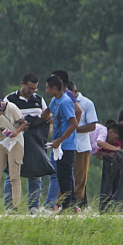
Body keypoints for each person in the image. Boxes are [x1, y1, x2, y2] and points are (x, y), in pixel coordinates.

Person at [4, 73, 48, 212]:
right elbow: (1, 120)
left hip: (34, 142)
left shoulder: (39, 100)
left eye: (34, 89)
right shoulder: (10, 99)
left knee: (35, 174)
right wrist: (19, 126)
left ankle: (33, 206)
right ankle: (10, 206)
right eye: (29, 88)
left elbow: (45, 117)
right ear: (22, 84)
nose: (32, 91)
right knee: (12, 172)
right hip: (15, 141)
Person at [42, 75, 78, 210]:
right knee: (62, 175)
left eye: (48, 88)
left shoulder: (65, 102)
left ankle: (67, 205)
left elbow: (73, 124)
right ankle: (71, 204)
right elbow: (47, 112)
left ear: (55, 88)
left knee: (64, 176)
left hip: (66, 145)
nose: (46, 91)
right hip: (58, 144)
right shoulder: (55, 101)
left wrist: (59, 141)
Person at [0, 99, 28, 211]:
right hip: (1, 140)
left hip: (15, 141)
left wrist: (16, 131)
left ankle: (15, 206)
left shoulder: (12, 108)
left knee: (14, 176)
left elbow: (23, 123)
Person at [68, 81, 97, 208]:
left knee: (80, 176)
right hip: (66, 144)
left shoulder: (87, 103)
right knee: (65, 174)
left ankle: (78, 203)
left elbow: (92, 126)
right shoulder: (62, 102)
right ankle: (64, 202)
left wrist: (74, 129)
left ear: (74, 92)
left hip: (81, 144)